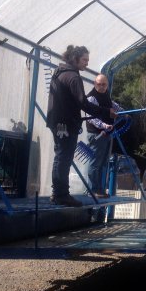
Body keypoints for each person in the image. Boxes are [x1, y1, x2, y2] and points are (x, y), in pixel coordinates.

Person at [46, 45, 117, 207]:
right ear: (75, 59)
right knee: (64, 157)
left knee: (61, 156)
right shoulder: (73, 77)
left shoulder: (60, 73)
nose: (87, 63)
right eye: (84, 59)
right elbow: (83, 103)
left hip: (57, 121)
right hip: (65, 124)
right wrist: (106, 112)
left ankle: (57, 192)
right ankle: (61, 194)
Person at [85, 74, 122, 198]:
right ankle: (92, 189)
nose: (101, 87)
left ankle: (99, 189)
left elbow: (114, 106)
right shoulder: (91, 98)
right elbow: (91, 118)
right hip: (97, 134)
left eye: (104, 84)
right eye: (99, 84)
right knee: (95, 162)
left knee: (103, 162)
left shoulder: (106, 97)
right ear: (95, 84)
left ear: (107, 85)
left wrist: (123, 113)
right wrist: (104, 125)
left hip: (106, 135)